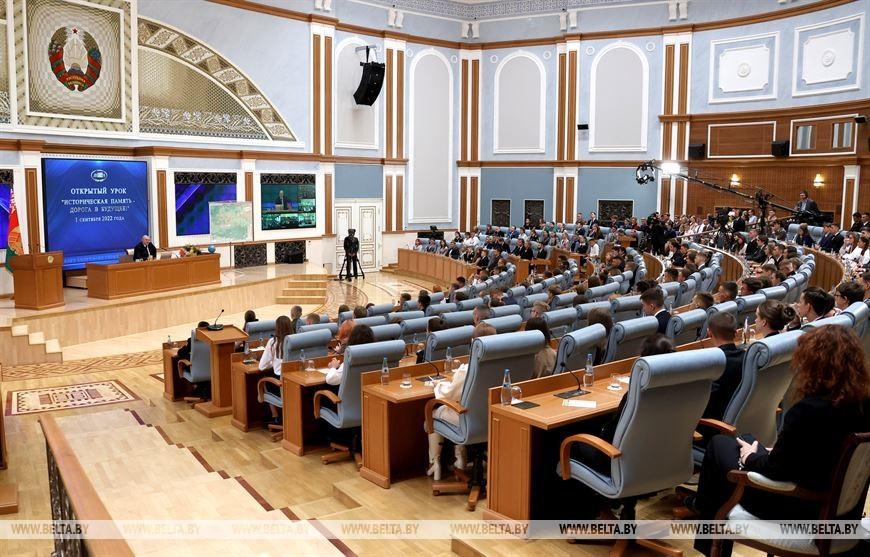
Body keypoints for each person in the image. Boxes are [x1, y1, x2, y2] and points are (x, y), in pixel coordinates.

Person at [685, 326, 870, 557]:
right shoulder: (863, 405)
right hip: (838, 508)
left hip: (793, 506)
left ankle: (708, 532)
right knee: (744, 439)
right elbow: (823, 452)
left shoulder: (807, 411)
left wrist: (750, 458)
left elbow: (776, 471)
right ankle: (705, 511)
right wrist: (766, 451)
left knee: (719, 446)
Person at [426, 323, 497, 481]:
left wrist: (438, 384)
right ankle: (460, 461)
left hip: (470, 422)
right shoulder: (503, 367)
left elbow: (447, 395)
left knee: (434, 412)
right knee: (461, 407)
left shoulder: (467, 370)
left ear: (474, 343)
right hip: (494, 420)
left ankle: (435, 463)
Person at [702, 312, 745, 420]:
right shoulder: (746, 357)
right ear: (736, 333)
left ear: (709, 333)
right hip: (740, 416)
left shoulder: (715, 365)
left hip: (715, 422)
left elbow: (708, 402)